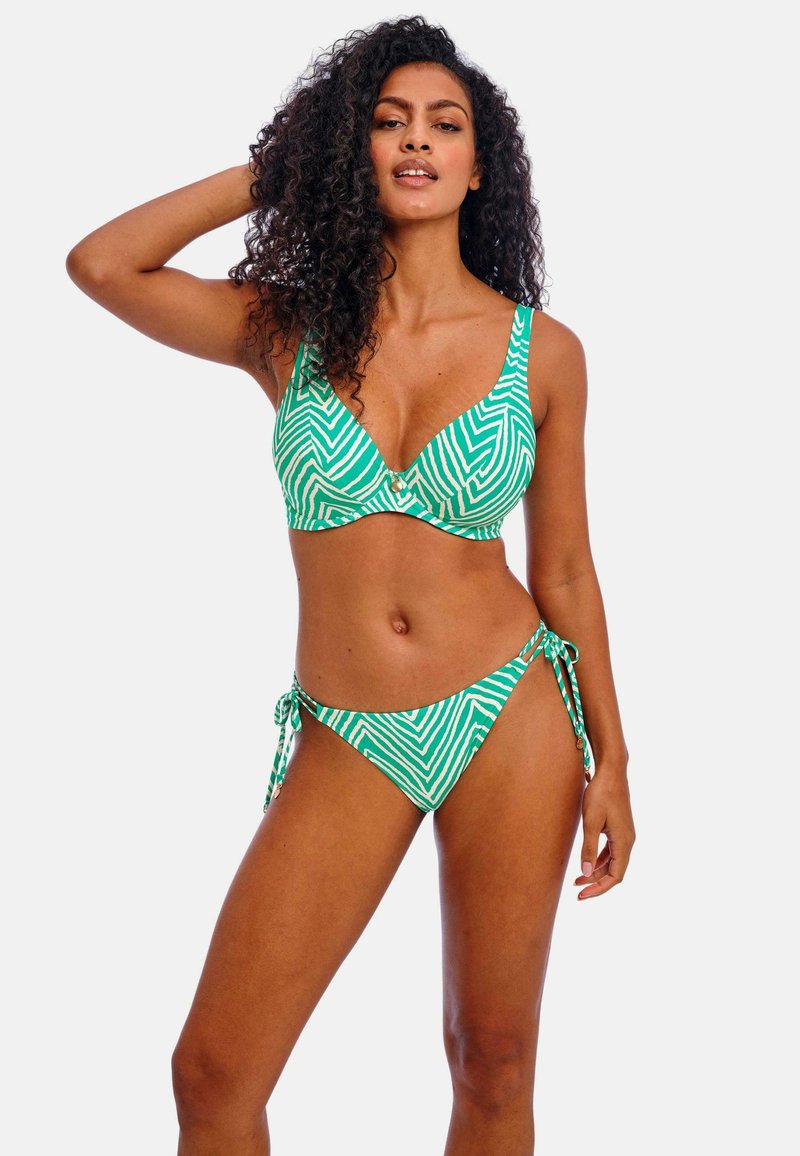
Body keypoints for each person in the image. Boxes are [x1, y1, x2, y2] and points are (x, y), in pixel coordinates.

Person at [66, 15, 635, 1155]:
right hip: (350, 726)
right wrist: (284, 166)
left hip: (509, 709)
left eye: (445, 124)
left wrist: (611, 755)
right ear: (354, 151)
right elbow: (101, 264)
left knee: (492, 1059)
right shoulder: (284, 328)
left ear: (481, 165)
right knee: (213, 1074)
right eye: (386, 123)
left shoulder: (543, 352)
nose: (416, 141)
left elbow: (565, 568)